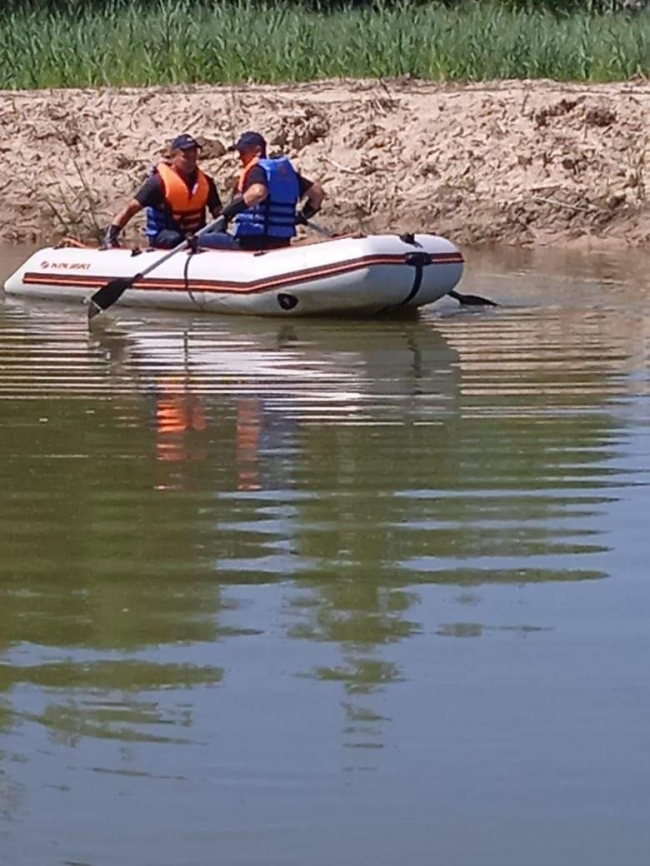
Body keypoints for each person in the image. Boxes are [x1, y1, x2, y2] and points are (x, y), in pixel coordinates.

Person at [103, 134, 235, 250]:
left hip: (194, 236)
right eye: (186, 157)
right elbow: (130, 209)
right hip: (165, 236)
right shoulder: (158, 183)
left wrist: (222, 226)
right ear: (173, 157)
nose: (191, 161)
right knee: (175, 238)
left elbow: (218, 213)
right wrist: (112, 236)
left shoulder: (206, 182)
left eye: (194, 156)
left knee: (221, 237)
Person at [215, 131, 325, 252]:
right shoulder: (286, 174)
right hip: (281, 241)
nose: (239, 156)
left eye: (243, 152)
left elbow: (258, 192)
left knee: (204, 240)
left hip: (251, 242)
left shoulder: (257, 170)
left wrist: (229, 212)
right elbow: (318, 194)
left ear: (258, 151)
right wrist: (303, 215)